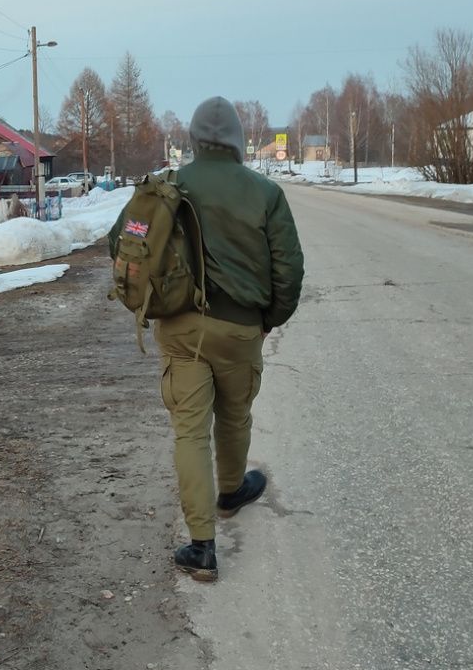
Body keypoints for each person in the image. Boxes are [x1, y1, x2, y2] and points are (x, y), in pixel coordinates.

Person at [117, 96, 304, 582]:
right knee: (236, 413)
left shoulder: (168, 186)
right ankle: (231, 490)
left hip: (180, 328)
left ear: (195, 141)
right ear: (239, 142)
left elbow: (121, 240)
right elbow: (290, 270)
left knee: (190, 431)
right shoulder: (266, 193)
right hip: (241, 328)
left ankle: (201, 547)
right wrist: (270, 318)